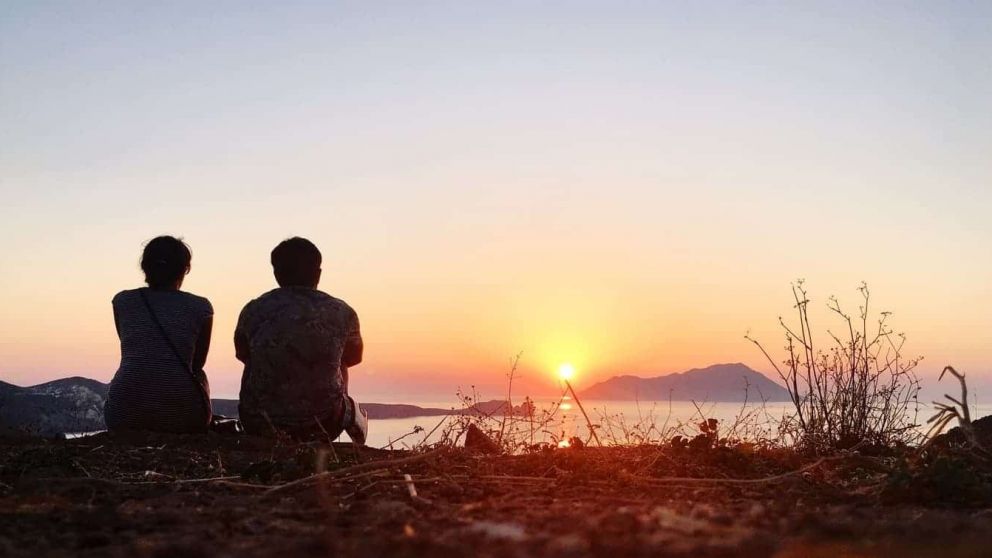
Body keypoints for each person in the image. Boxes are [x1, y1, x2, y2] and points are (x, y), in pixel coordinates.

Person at [235, 237, 366, 442]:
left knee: (256, 356)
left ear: (277, 273)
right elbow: (354, 357)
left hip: (258, 422)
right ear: (318, 273)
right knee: (341, 359)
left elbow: (243, 354)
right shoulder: (342, 312)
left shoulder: (253, 309)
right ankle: (357, 436)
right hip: (324, 423)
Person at [105, 236, 214, 433]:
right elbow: (197, 363)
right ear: (184, 269)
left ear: (145, 268)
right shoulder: (201, 307)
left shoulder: (123, 301)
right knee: (199, 374)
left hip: (122, 415)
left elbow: (130, 347)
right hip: (186, 418)